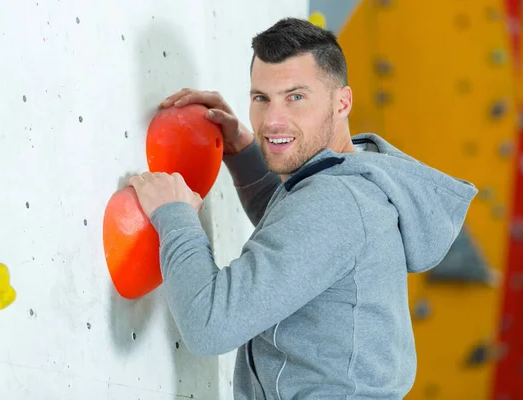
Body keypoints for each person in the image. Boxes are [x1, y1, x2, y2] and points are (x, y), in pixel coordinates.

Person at [128, 17, 478, 399]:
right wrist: (244, 153)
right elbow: (297, 240)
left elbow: (210, 324)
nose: (273, 120)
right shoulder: (353, 175)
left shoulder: (336, 203)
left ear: (342, 101)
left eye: (295, 97)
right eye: (261, 98)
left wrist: (175, 216)